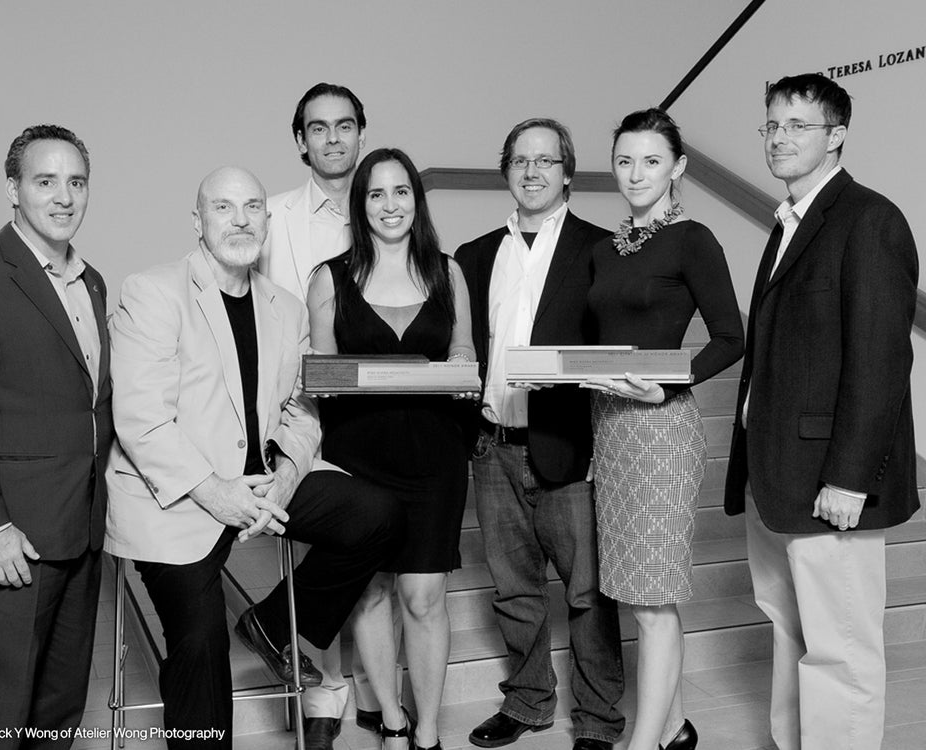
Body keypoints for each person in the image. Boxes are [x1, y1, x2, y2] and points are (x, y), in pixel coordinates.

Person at [104, 166, 405, 748]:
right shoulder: (154, 290)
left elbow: (302, 410)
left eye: (253, 207)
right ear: (197, 221)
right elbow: (142, 420)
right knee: (198, 640)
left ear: (268, 219)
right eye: (223, 207)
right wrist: (218, 493)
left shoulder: (286, 307)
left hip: (263, 480)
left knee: (379, 516)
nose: (240, 219)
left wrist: (283, 483)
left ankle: (272, 623)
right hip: (177, 495)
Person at [724, 74, 919, 750]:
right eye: (772, 125)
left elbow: (881, 362)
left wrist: (850, 478)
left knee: (841, 649)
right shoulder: (789, 222)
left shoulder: (869, 220)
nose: (780, 138)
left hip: (829, 482)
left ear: (835, 135)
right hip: (775, 476)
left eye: (797, 126)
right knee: (790, 630)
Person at [0, 124, 112, 747]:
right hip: (13, 536)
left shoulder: (92, 282)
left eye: (76, 182)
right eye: (44, 181)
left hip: (80, 531)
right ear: (13, 189)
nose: (63, 197)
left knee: (58, 710)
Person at [455, 118, 625, 750]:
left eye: (545, 161)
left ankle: (599, 721)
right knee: (515, 590)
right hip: (493, 446)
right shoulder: (473, 257)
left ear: (567, 172)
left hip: (570, 448)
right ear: (506, 172)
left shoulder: (602, 249)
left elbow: (614, 354)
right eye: (520, 161)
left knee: (587, 595)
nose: (532, 172)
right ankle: (527, 704)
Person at [582, 108, 744, 750]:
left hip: (660, 429)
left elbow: (731, 336)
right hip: (610, 429)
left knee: (652, 596)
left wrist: (671, 382)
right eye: (624, 160)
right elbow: (601, 343)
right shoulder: (604, 249)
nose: (635, 173)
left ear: (678, 168)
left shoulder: (694, 239)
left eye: (652, 160)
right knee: (630, 589)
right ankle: (674, 726)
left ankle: (642, 743)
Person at [307, 147, 476, 750]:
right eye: (376, 194)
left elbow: (463, 358)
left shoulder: (447, 272)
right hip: (359, 456)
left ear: (416, 199)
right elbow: (321, 377)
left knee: (424, 595)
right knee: (372, 591)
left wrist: (458, 371)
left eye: (400, 191)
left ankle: (427, 730)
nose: (389, 204)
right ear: (361, 204)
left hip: (435, 456)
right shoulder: (330, 277)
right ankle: (392, 722)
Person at [259, 81, 399, 749]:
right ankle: (324, 687)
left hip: (382, 410)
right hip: (306, 406)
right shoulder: (274, 218)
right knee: (338, 538)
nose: (334, 137)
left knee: (374, 548)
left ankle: (377, 692)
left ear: (362, 134)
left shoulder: (395, 210)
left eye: (346, 125)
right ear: (301, 141)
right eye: (319, 127)